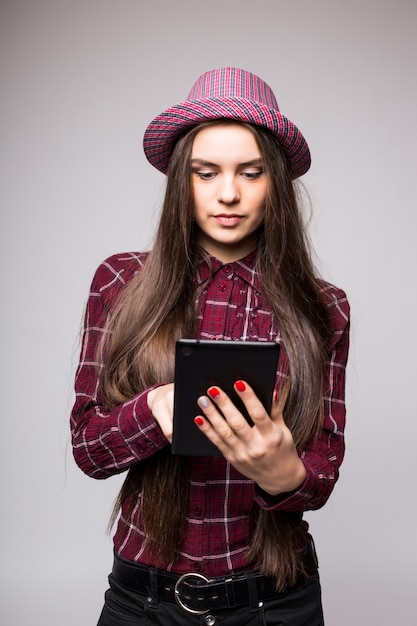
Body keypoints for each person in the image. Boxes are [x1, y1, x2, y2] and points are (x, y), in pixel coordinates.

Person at [70, 67, 350, 625]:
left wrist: (282, 472)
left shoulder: (324, 306)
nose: (228, 193)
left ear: (277, 183)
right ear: (182, 180)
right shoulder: (119, 283)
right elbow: (87, 449)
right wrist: (153, 412)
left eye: (251, 173)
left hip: (274, 602)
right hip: (143, 603)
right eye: (206, 173)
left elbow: (323, 471)